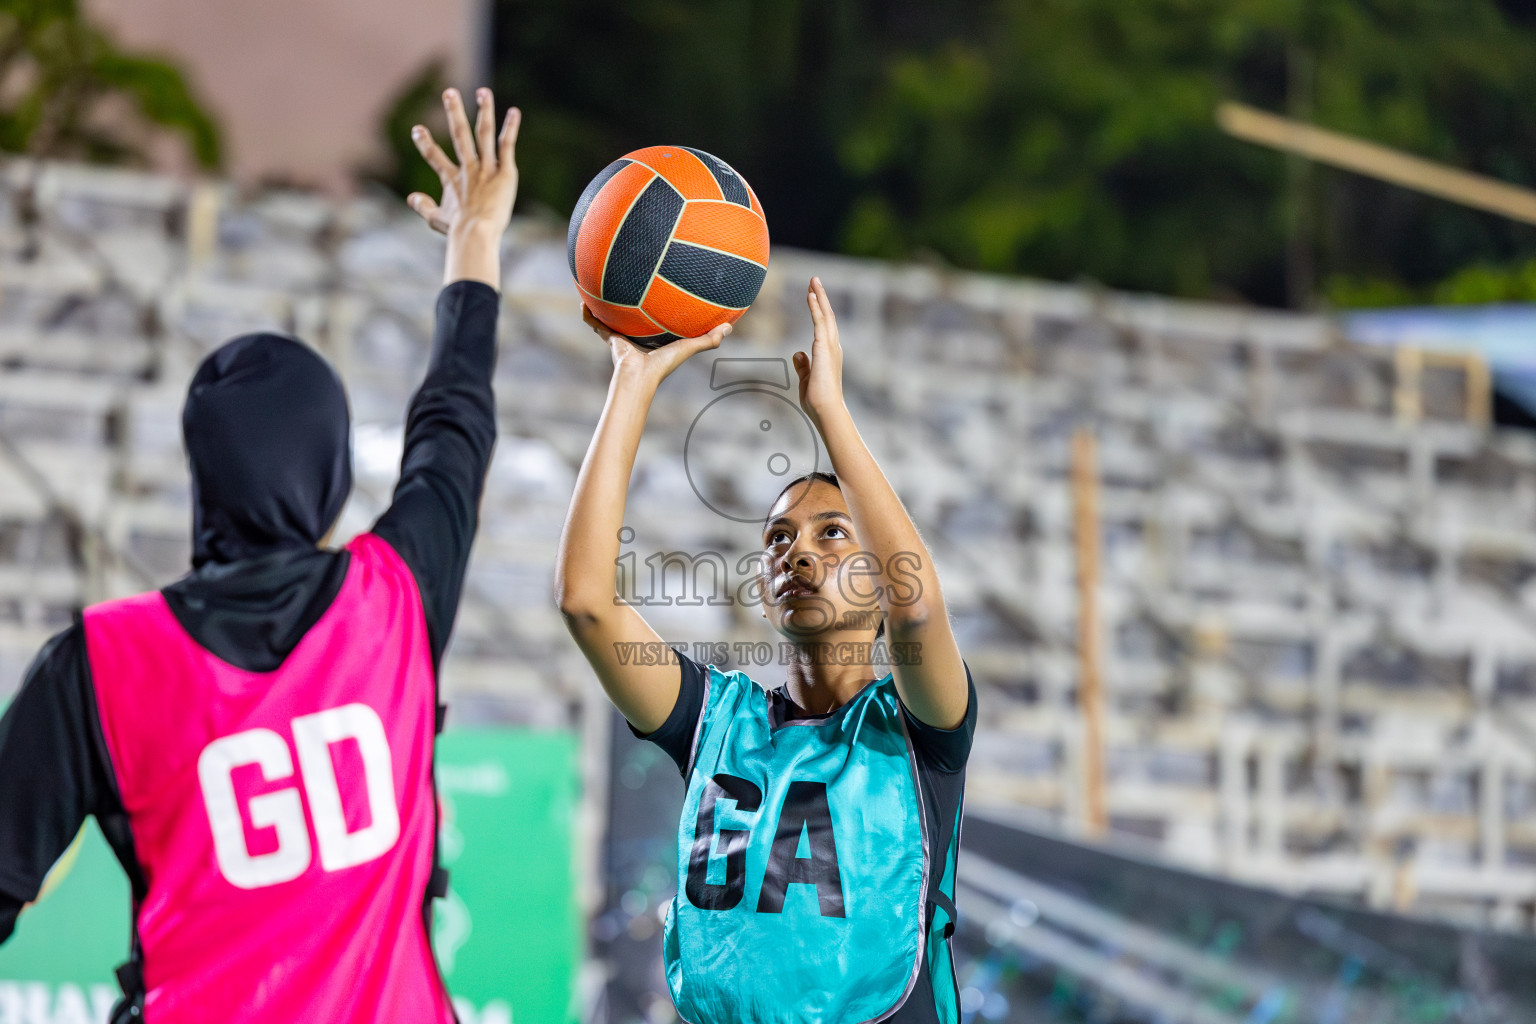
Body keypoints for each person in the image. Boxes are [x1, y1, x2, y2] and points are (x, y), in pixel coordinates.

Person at [0, 86, 518, 1022]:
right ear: (325, 471)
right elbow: (455, 423)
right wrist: (473, 244)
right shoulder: (393, 600)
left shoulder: (100, 665)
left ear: (204, 476)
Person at [556, 279, 976, 1023]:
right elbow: (588, 603)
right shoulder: (714, 718)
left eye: (832, 534)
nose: (798, 554)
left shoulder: (919, 733)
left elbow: (917, 606)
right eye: (778, 539)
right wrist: (631, 377)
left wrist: (831, 417)